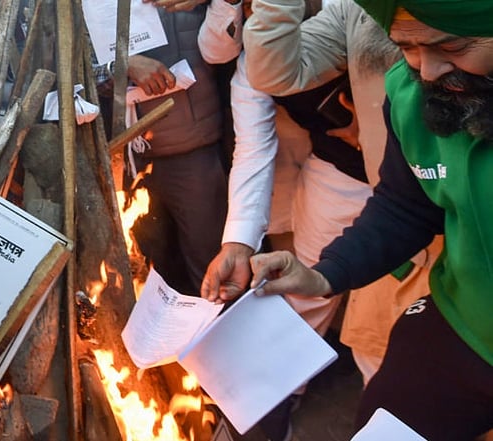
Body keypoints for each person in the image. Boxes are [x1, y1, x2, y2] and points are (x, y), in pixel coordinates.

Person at [245, 3, 493, 439]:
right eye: (408, 48)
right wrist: (326, 275)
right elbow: (406, 205)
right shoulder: (410, 94)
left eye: (452, 46)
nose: (429, 70)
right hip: (465, 326)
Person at [213, 0, 440, 388]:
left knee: (428, 333)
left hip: (444, 197)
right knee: (333, 309)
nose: (428, 65)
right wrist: (238, 241)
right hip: (357, 181)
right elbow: (269, 85)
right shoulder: (348, 16)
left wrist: (377, 130)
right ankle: (275, 398)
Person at [98, 0, 229, 296]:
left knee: (210, 273)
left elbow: (230, 32)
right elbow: (72, 75)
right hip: (124, 159)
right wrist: (120, 65)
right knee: (144, 274)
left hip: (193, 147)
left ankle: (217, 339)